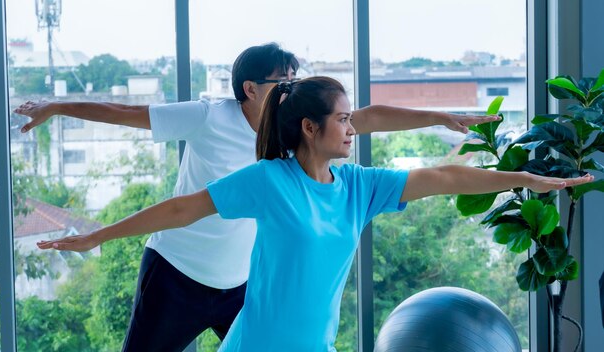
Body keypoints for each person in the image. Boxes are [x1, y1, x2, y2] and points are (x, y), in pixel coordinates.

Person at [36, 76, 594, 351]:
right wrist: (95, 238)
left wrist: (528, 178)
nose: (353, 129)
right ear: (310, 127)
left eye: (352, 119)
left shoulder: (360, 188)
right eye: (344, 120)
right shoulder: (270, 181)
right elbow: (183, 209)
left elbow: (445, 178)